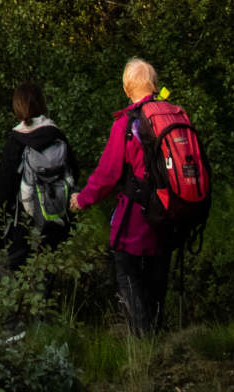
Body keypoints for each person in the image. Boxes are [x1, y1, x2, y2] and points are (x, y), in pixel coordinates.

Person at [73, 58, 173, 337]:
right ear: (153, 83)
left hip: (135, 222)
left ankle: (142, 345)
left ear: (127, 89)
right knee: (156, 283)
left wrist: (82, 199)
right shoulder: (172, 114)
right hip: (168, 218)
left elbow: (108, 173)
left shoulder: (128, 124)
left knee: (129, 276)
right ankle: (157, 340)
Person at [0, 82, 82, 275]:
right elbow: (75, 173)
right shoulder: (57, 136)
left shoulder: (16, 141)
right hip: (55, 221)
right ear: (42, 103)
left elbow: (4, 189)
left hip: (22, 223)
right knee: (46, 278)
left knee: (13, 277)